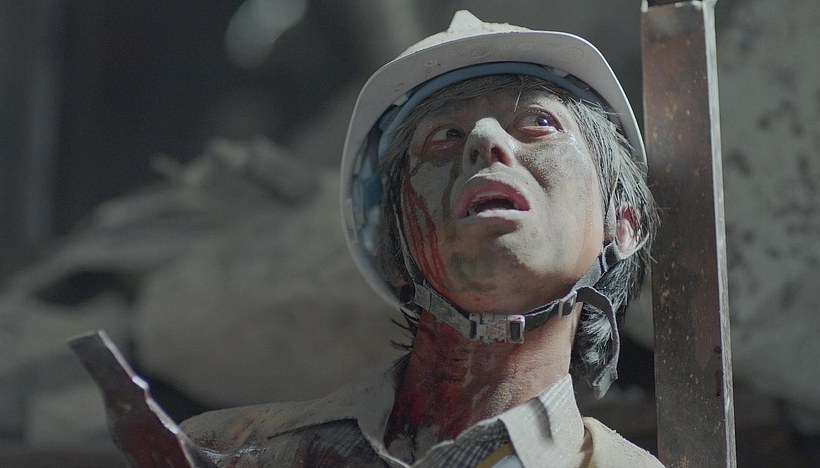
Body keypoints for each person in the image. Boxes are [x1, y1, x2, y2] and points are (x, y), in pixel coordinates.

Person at [182, 10, 663, 467]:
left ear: (623, 223)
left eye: (539, 122)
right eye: (445, 136)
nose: (484, 139)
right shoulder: (227, 454)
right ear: (396, 246)